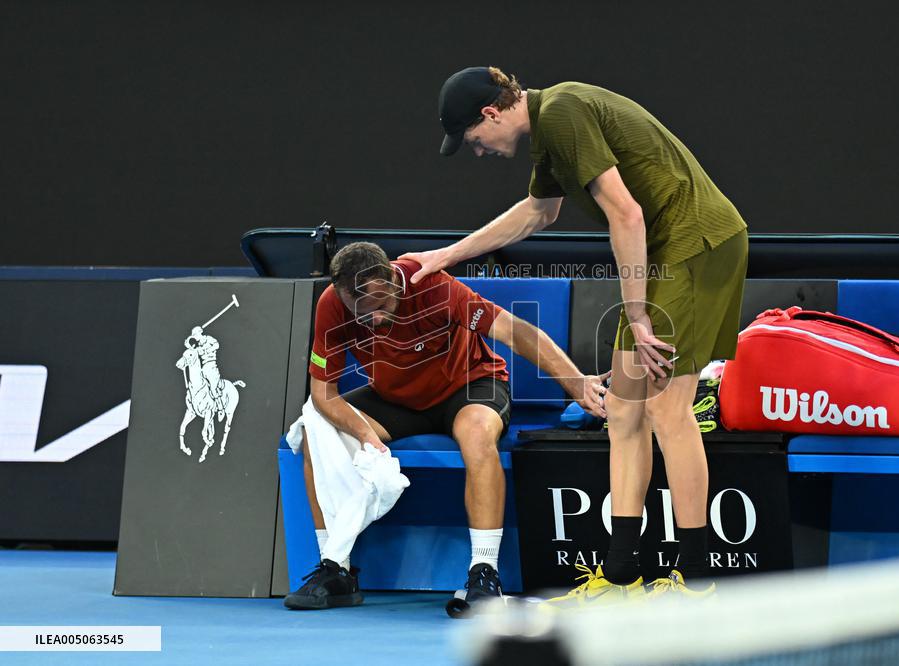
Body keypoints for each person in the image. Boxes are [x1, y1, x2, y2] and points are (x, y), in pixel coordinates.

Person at [402, 67, 748, 602]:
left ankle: (696, 582)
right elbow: (538, 213)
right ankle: (621, 574)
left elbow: (627, 215)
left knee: (666, 409)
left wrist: (637, 314)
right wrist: (446, 255)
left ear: (491, 113)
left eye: (473, 139)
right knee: (623, 411)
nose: (479, 150)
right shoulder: (550, 126)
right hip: (665, 253)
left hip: (697, 244)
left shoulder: (562, 113)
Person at [283, 241, 606, 615]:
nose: (371, 319)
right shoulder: (333, 304)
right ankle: (335, 568)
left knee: (478, 434)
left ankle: (484, 572)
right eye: (361, 313)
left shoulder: (434, 286)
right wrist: (364, 434)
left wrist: (576, 383)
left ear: (392, 281)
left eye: (379, 306)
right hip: (397, 399)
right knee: (314, 430)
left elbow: (514, 331)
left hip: (469, 386)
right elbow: (323, 394)